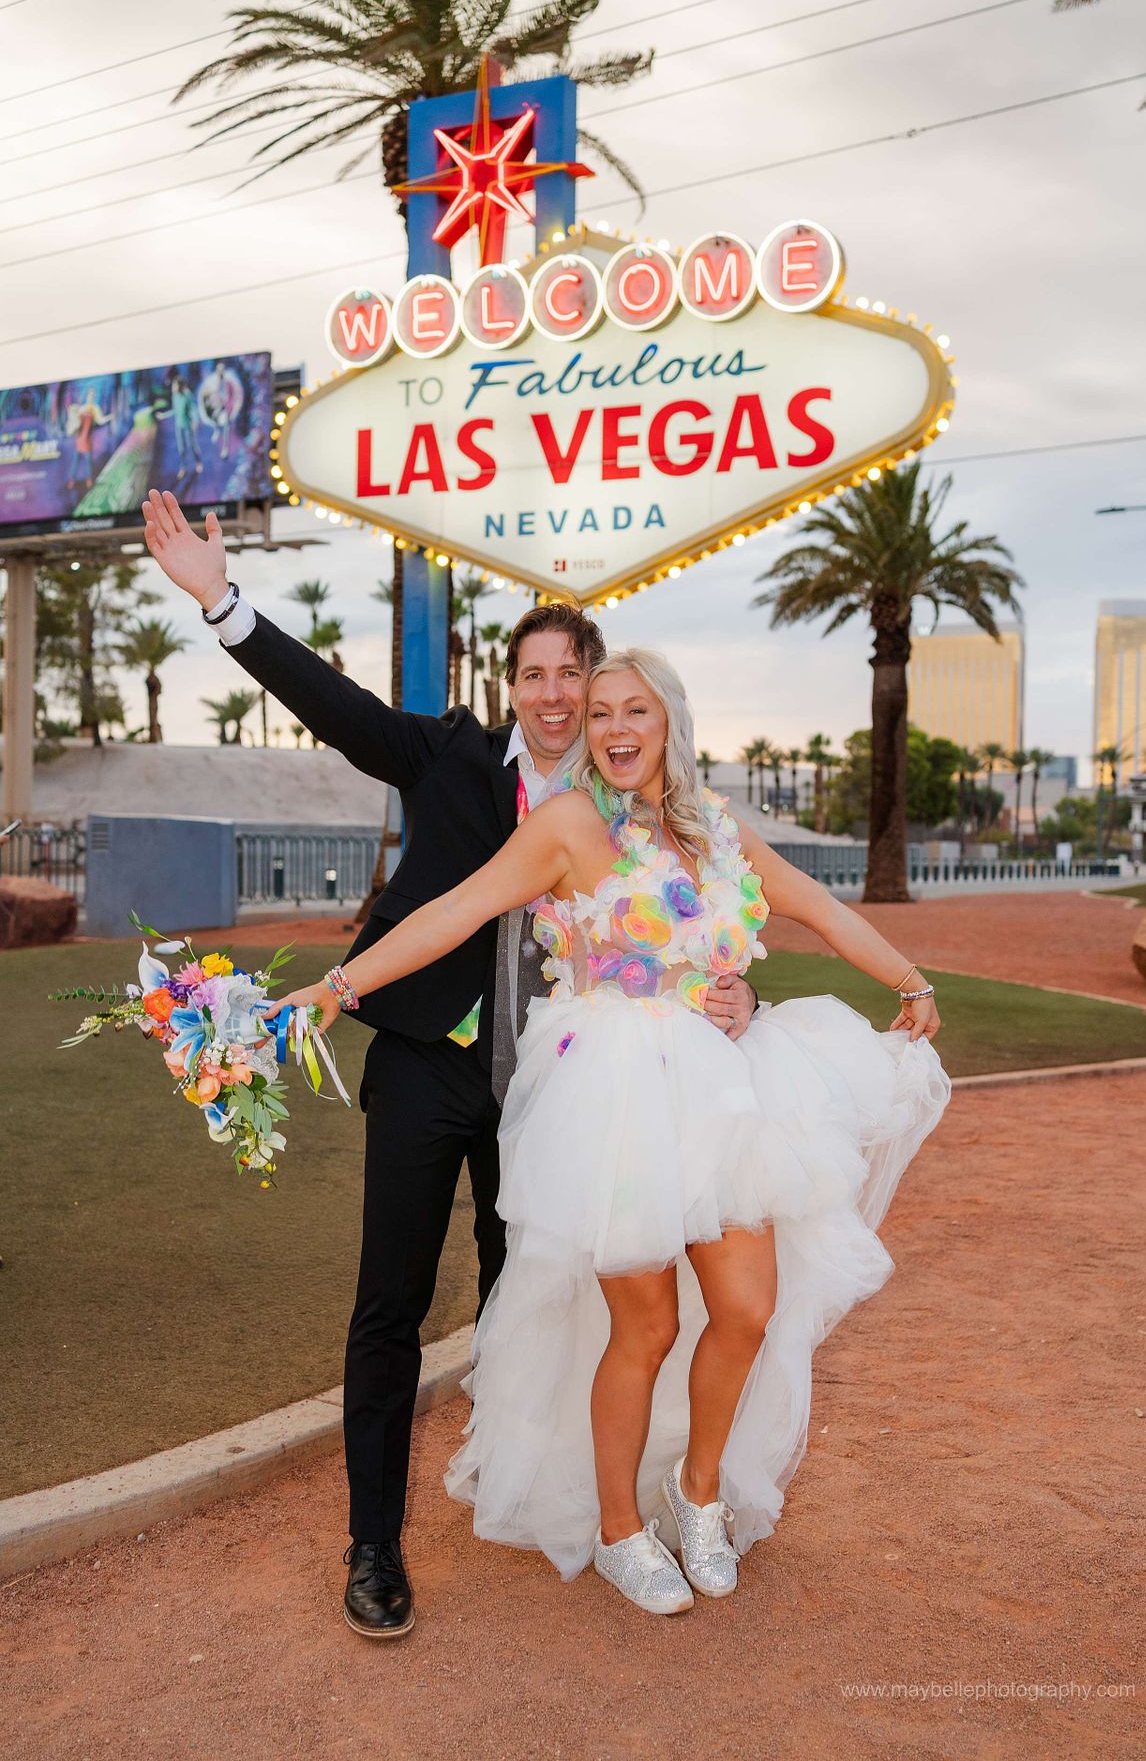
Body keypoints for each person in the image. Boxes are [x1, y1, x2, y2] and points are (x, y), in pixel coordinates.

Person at [138, 489, 756, 1638]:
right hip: (431, 1068)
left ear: (601, 685)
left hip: (560, 1093)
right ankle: (374, 1545)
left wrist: (740, 986)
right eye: (534, 676)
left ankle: (575, 1501)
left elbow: (712, 920)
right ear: (510, 689)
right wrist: (221, 601)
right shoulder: (444, 758)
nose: (556, 696)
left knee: (555, 1299)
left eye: (575, 675)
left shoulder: (635, 807)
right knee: (392, 1305)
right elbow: (329, 704)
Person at [266, 647, 952, 1616]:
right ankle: (622, 1528)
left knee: (747, 1306)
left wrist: (910, 981)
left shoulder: (717, 832)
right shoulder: (570, 827)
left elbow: (819, 907)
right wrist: (338, 986)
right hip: (617, 1096)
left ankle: (699, 1493)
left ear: (670, 721)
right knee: (651, 1320)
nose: (615, 729)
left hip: (720, 1095)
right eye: (599, 716)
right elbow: (455, 912)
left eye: (635, 711)